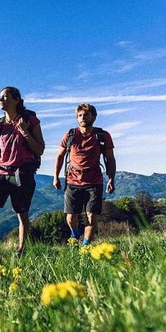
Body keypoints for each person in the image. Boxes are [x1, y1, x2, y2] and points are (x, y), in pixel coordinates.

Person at [0, 87, 45, 261]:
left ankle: (22, 250)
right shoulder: (0, 124)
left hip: (22, 173)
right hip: (1, 171)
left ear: (16, 99)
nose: (1, 100)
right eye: (0, 97)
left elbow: (40, 149)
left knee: (21, 214)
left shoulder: (30, 120)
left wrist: (24, 131)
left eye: (5, 97)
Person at [53, 103, 116, 246]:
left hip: (94, 181)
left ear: (93, 117)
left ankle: (85, 247)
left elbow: (110, 159)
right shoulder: (70, 135)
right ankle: (75, 235)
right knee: (70, 217)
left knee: (91, 216)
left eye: (86, 114)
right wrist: (55, 177)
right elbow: (60, 156)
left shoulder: (102, 135)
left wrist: (111, 179)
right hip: (73, 180)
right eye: (80, 115)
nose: (82, 118)